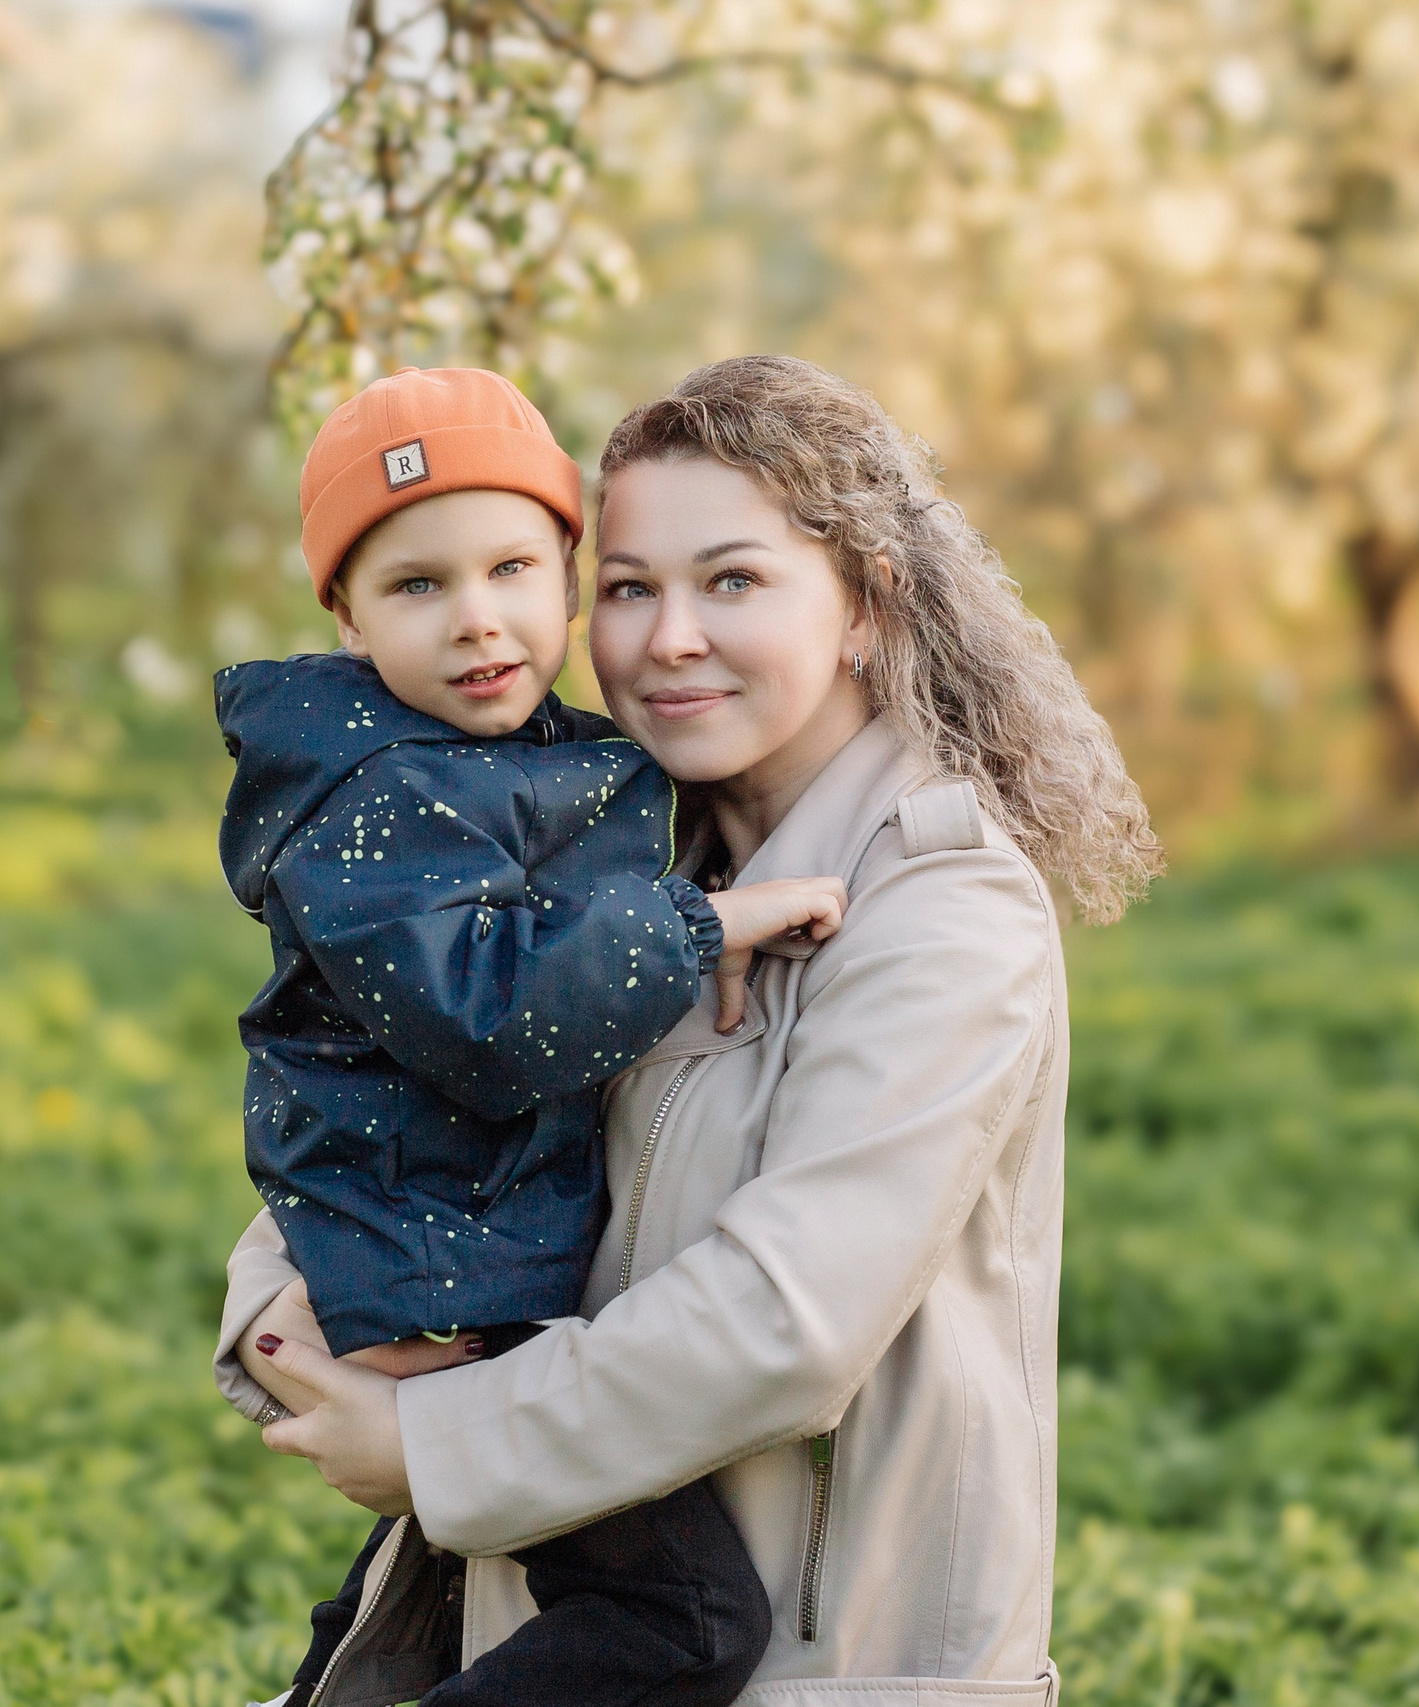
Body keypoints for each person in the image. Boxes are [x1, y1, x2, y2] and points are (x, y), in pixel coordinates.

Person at [216, 356, 1163, 1706]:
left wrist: (438, 1443)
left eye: (733, 581)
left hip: (817, 1667)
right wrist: (283, 1328)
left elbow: (787, 1320)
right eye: (630, 587)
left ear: (864, 610)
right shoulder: (611, 864)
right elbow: (392, 1100)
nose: (668, 638)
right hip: (546, 1629)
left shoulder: (941, 905)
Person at [215, 364, 850, 1707]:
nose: (478, 621)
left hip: (466, 1250)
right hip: (448, 1276)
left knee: (414, 1599)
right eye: (416, 586)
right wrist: (703, 931)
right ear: (343, 615)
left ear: (570, 567)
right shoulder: (376, 792)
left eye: (512, 566)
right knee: (677, 1624)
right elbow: (494, 1015)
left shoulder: (513, 755)